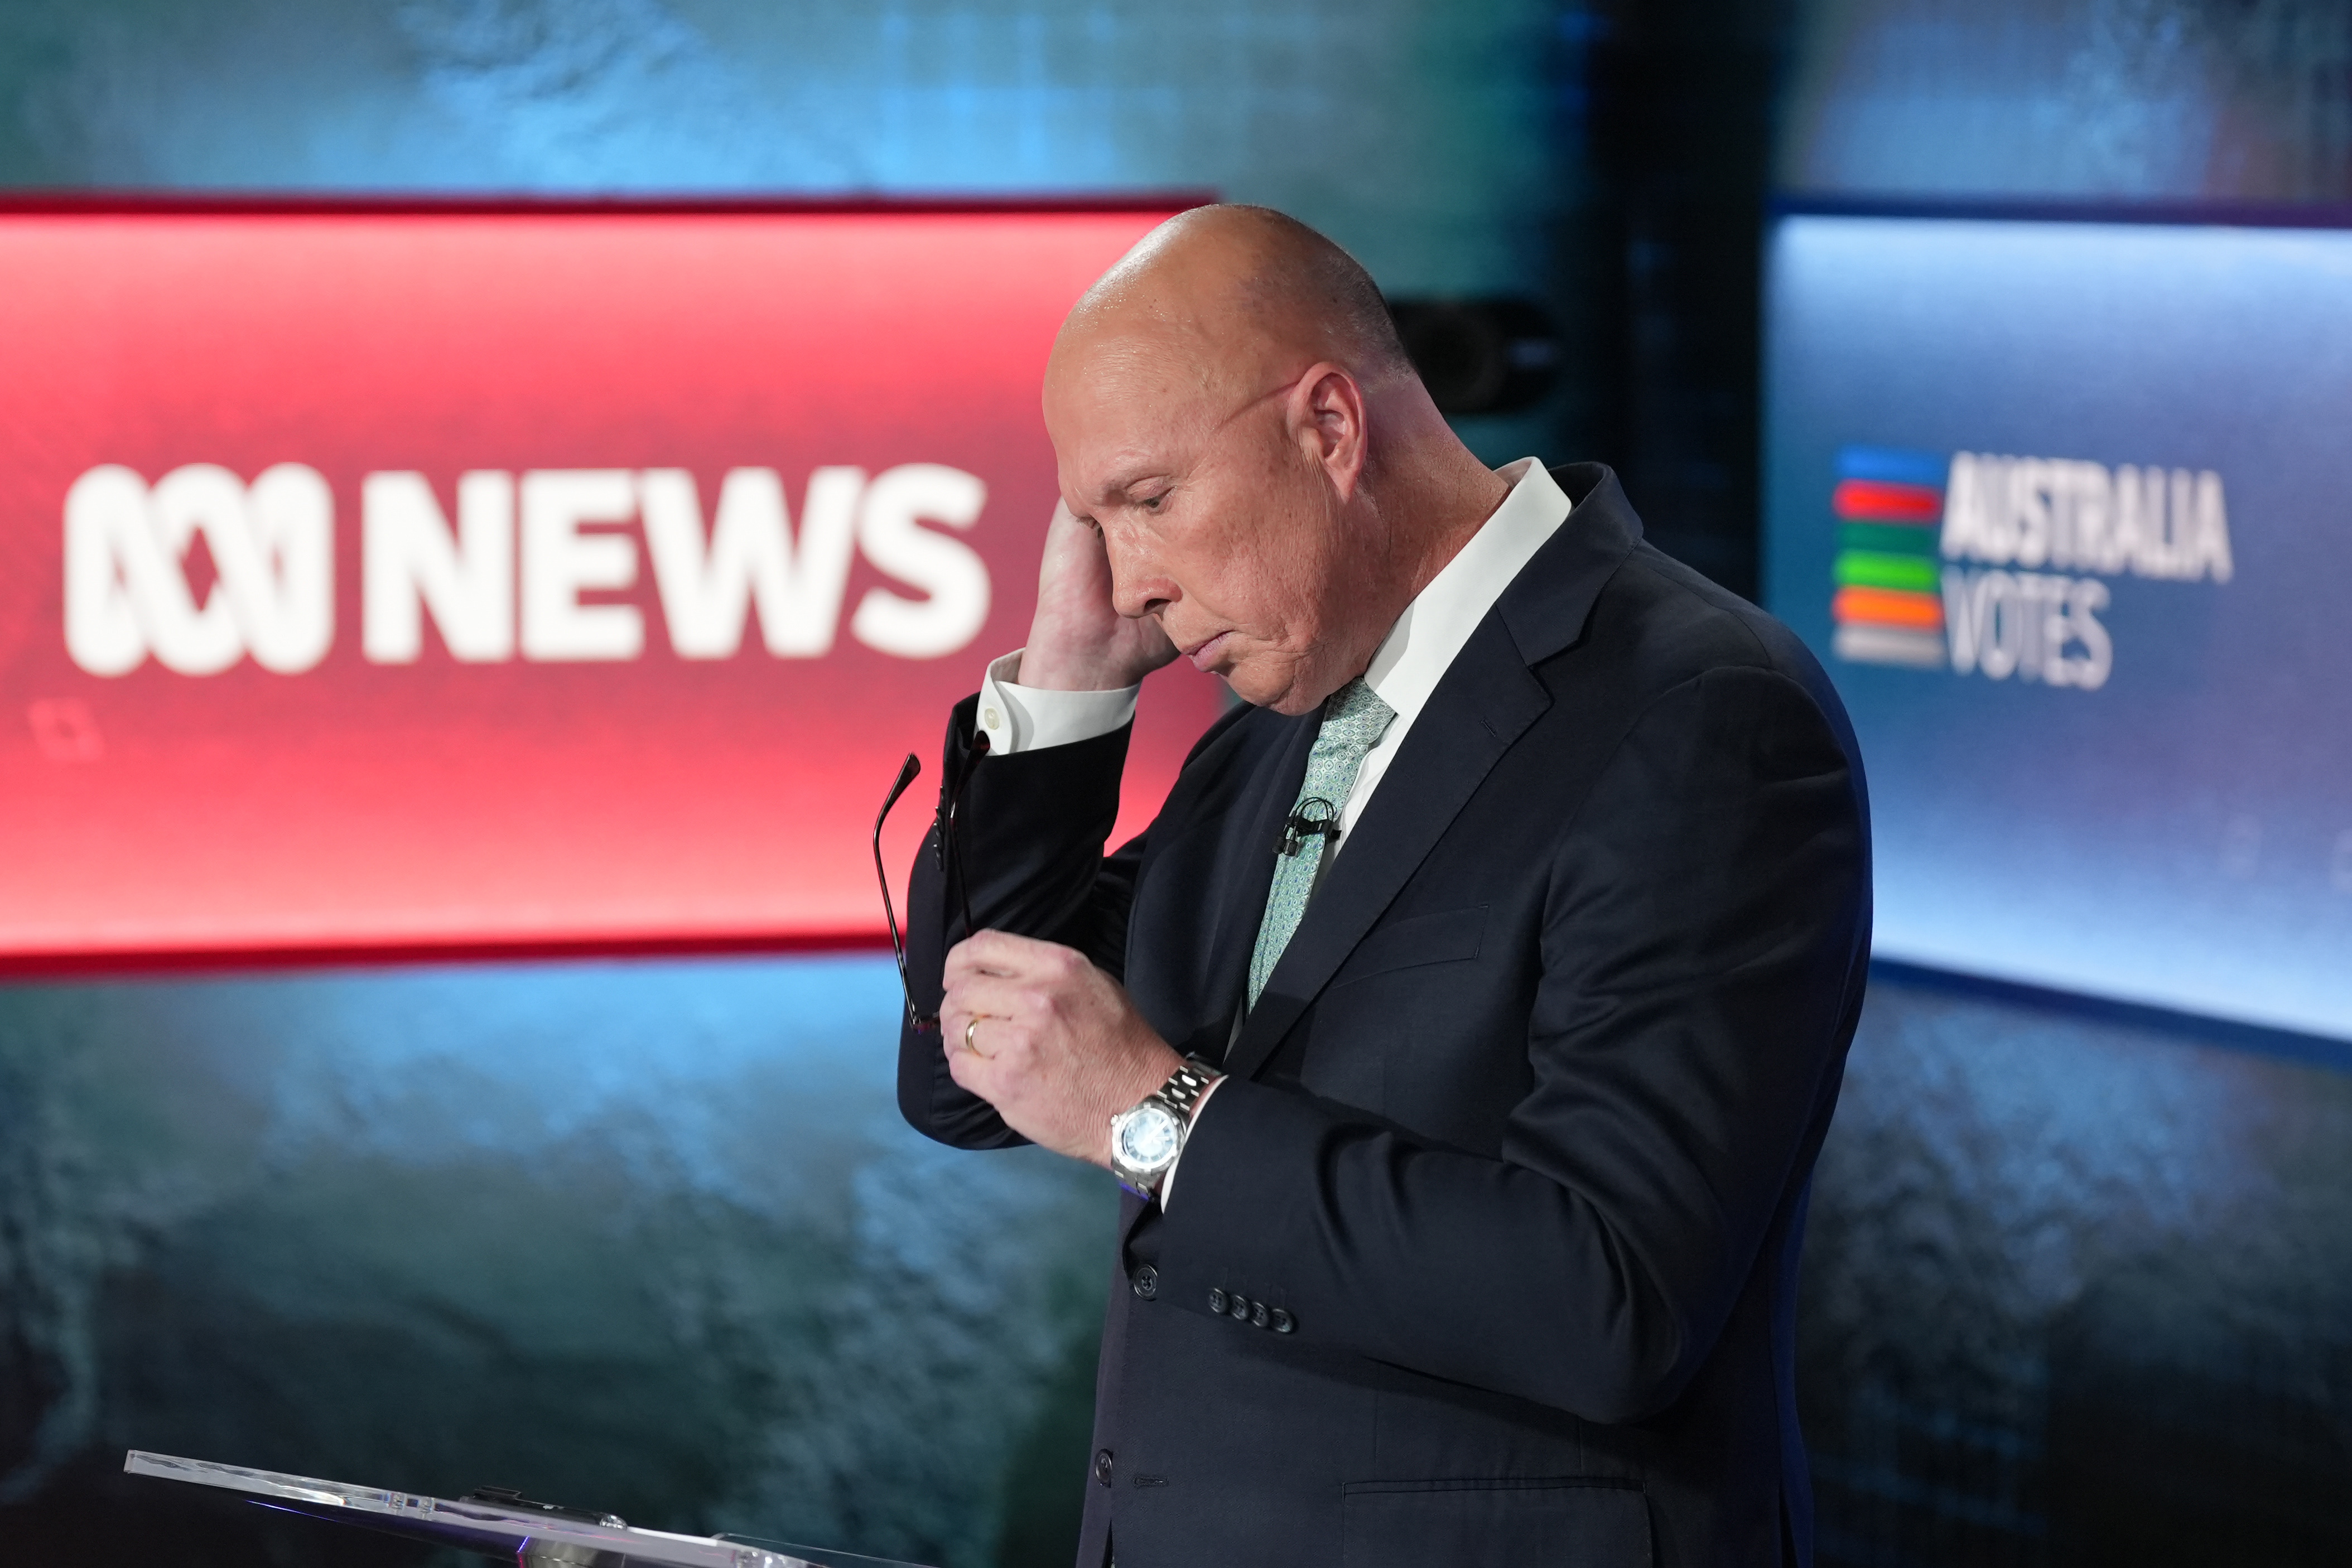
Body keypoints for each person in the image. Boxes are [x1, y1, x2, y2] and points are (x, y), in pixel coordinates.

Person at [895, 204, 1870, 1568]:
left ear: (1328, 426)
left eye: (1150, 500)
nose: (1129, 582)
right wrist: (1064, 694)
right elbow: (967, 1071)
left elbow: (1611, 1297)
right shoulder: (1270, 732)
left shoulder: (1702, 712)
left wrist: (1154, 1117)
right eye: (1093, 521)